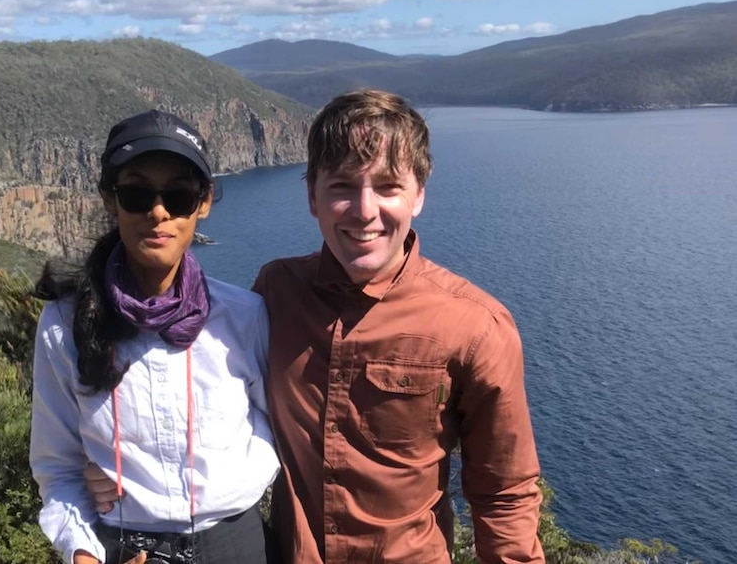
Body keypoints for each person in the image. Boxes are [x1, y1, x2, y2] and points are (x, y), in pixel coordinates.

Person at [87, 90, 544, 563]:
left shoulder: (474, 326)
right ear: (312, 196)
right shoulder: (275, 292)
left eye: (388, 186)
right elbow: (207, 404)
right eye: (343, 186)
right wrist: (111, 463)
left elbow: (505, 493)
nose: (365, 210)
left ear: (419, 194)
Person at [29, 109, 279, 564]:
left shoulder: (244, 317)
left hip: (237, 548)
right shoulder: (63, 325)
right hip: (120, 549)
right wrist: (83, 554)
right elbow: (58, 468)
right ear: (111, 200)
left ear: (203, 203)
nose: (158, 211)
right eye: (137, 193)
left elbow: (284, 432)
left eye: (179, 195)